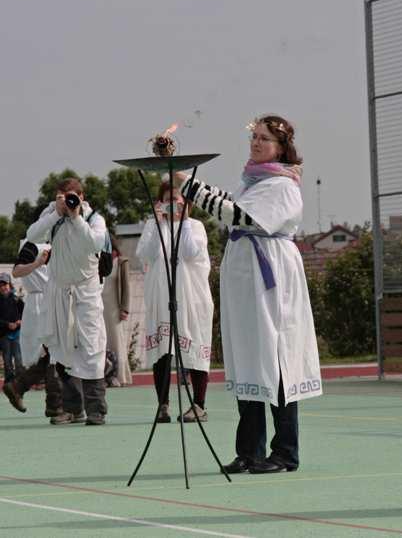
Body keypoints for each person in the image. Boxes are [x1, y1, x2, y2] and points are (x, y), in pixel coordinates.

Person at [179, 113, 321, 474]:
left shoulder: (283, 185)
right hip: (246, 276)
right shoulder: (252, 181)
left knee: (276, 358)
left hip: (270, 275)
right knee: (247, 358)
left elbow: (242, 218)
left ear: (281, 147)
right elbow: (230, 204)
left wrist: (190, 187)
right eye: (254, 137)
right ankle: (250, 451)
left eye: (264, 139)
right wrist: (184, 180)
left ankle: (285, 452)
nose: (256, 143)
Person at [26, 178, 109, 425]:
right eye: (62, 196)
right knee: (61, 351)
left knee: (92, 349)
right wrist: (56, 214)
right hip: (59, 293)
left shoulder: (94, 218)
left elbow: (94, 243)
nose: (68, 200)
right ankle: (74, 409)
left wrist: (76, 216)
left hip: (86, 294)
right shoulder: (51, 215)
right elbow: (32, 235)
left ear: (81, 196)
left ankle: (97, 410)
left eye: (72, 196)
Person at [137, 181, 214, 423]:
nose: (174, 205)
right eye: (168, 199)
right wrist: (160, 223)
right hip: (162, 297)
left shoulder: (196, 227)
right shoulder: (153, 226)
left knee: (195, 346)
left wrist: (185, 221)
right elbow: (147, 254)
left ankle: (199, 405)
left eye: (178, 199)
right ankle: (163, 405)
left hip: (192, 298)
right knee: (163, 351)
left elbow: (191, 253)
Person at [2, 243, 63, 417]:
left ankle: (18, 386)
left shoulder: (33, 242)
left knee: (49, 354)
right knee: (54, 353)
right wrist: (38, 264)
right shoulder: (36, 244)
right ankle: (54, 403)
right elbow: (16, 270)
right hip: (44, 303)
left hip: (41, 301)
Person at [102, 236, 131, 386]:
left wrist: (124, 308)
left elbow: (126, 286)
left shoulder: (121, 262)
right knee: (103, 340)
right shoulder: (100, 262)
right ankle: (106, 375)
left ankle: (120, 376)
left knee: (116, 340)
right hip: (100, 307)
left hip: (115, 307)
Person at [0, 273, 23, 383]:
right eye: (0, 285)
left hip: (17, 334)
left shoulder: (17, 299)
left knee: (18, 359)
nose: (3, 287)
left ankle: (19, 383)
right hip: (4, 336)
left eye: (5, 284)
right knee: (7, 361)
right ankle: (9, 383)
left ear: (10, 285)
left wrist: (19, 322)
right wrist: (7, 324)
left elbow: (25, 314)